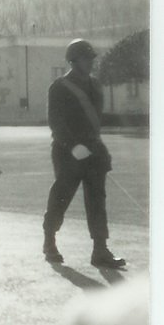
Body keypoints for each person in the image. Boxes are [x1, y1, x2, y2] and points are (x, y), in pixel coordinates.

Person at [42, 39, 125, 268]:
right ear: (73, 61)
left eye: (91, 59)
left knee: (97, 200)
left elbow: (96, 120)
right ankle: (49, 241)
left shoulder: (96, 86)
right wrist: (72, 146)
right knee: (62, 196)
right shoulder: (59, 87)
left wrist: (98, 148)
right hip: (67, 151)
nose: (90, 62)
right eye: (85, 59)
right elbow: (55, 122)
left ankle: (100, 250)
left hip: (92, 150)